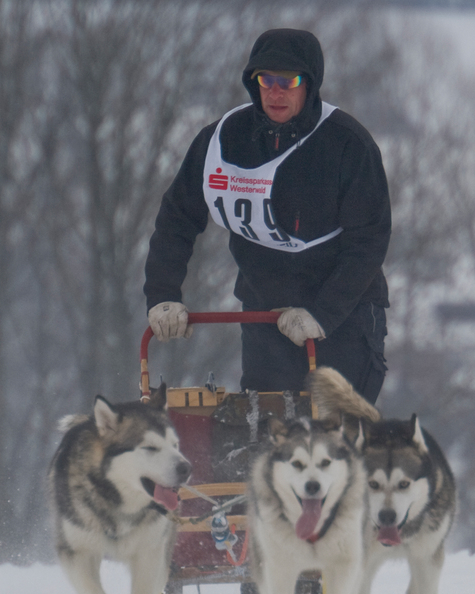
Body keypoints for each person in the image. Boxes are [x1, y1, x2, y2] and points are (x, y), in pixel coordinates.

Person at [143, 28, 391, 403]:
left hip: (344, 321)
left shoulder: (346, 146)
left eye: (288, 81)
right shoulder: (222, 140)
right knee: (267, 437)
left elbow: (369, 242)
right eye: (266, 80)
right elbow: (177, 218)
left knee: (334, 443)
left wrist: (321, 314)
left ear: (309, 83)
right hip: (264, 317)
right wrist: (163, 295)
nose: (276, 92)